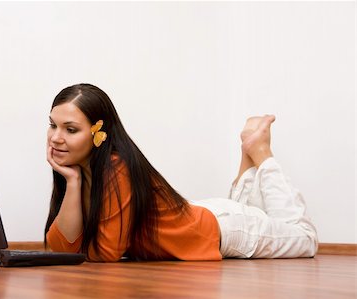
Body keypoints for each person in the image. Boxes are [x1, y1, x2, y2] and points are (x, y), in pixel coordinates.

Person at [44, 83, 318, 262]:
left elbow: (105, 253)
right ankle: (249, 151)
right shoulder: (82, 173)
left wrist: (79, 247)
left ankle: (261, 153)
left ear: (99, 134)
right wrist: (73, 181)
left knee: (304, 238)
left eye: (70, 129)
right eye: (53, 125)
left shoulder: (117, 167)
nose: (56, 138)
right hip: (199, 217)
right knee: (250, 212)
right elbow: (60, 249)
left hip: (225, 229)